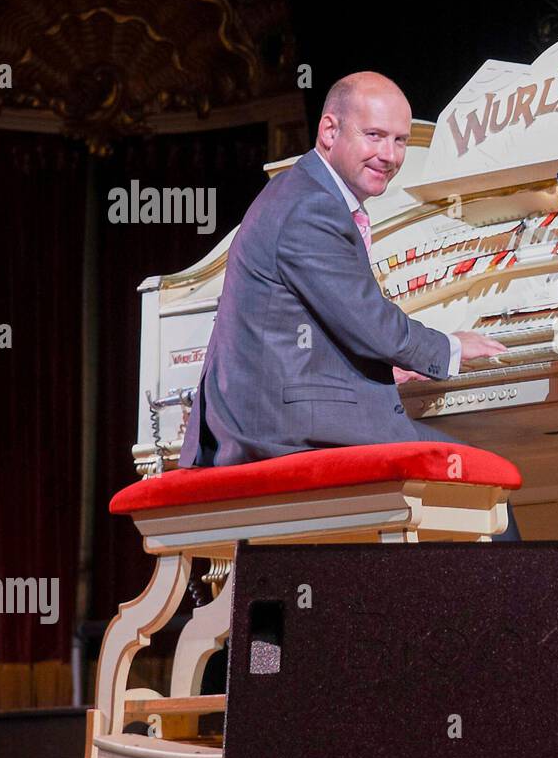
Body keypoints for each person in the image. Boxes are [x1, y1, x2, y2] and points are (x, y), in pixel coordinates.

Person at [178, 70, 520, 538]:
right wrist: (450, 347)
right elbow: (370, 324)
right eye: (375, 136)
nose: (391, 155)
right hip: (282, 434)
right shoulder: (310, 207)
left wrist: (384, 367)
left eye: (400, 140)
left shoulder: (307, 192)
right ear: (330, 130)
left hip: (278, 419)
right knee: (483, 491)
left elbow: (323, 328)